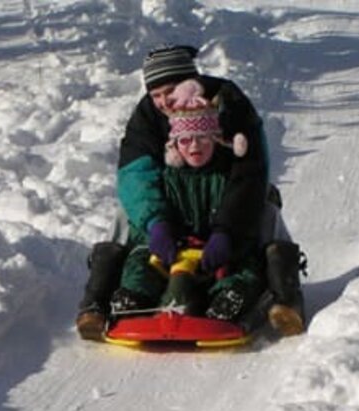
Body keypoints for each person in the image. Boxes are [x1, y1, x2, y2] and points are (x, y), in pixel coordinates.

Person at [75, 44, 306, 340]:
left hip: (224, 200)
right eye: (155, 94)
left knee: (266, 212)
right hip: (175, 204)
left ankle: (285, 297)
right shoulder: (147, 115)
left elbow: (249, 174)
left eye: (169, 92)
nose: (162, 102)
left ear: (189, 82)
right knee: (124, 218)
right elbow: (135, 175)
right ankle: (98, 301)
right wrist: (156, 222)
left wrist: (227, 230)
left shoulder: (231, 104)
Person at [109, 91, 267, 321]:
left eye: (202, 138)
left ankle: (227, 300)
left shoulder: (226, 176)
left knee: (246, 268)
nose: (194, 146)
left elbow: (242, 214)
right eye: (185, 140)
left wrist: (229, 238)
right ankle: (133, 299)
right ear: (174, 145)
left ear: (215, 139)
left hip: (217, 252)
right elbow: (146, 217)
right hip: (173, 252)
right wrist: (159, 234)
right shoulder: (166, 179)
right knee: (139, 263)